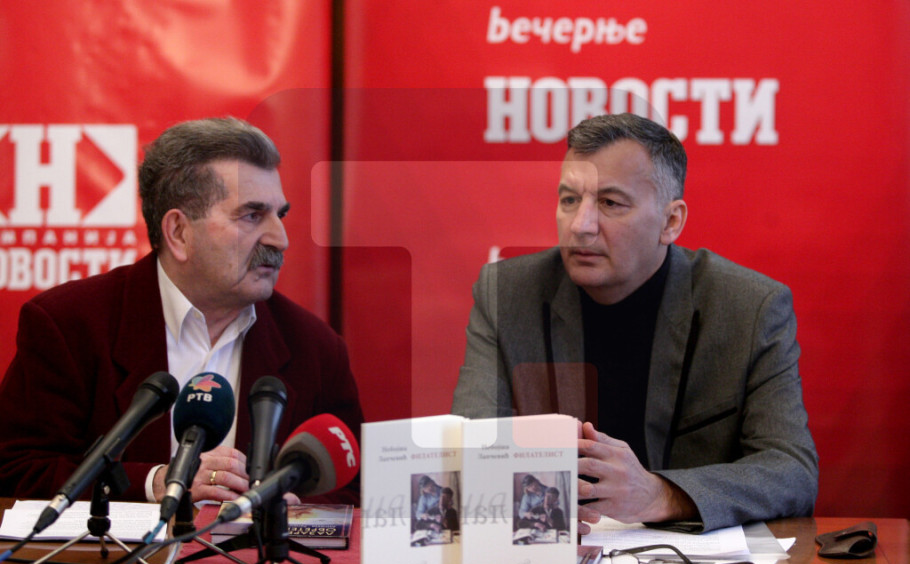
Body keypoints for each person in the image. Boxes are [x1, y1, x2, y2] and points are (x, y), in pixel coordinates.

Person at [452, 113, 818, 533]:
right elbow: (467, 450)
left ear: (670, 222)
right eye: (569, 200)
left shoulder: (748, 308)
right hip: (555, 552)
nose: (581, 226)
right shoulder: (508, 294)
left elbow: (792, 470)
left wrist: (659, 494)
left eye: (610, 203)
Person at [0, 117, 363, 506]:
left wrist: (299, 509)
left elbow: (355, 489)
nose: (280, 239)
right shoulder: (70, 325)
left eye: (281, 215)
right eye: (252, 216)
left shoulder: (315, 348)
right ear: (178, 232)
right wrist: (156, 483)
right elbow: (16, 469)